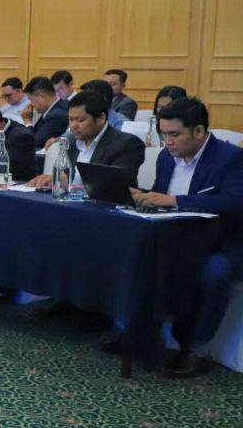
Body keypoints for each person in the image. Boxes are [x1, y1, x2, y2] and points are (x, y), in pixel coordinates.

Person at [131, 97, 243, 377]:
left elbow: (234, 202)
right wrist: (143, 197)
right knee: (133, 253)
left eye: (174, 135)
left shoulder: (231, 158)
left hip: (222, 242)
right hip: (175, 236)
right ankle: (140, 332)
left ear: (199, 131)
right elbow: (160, 196)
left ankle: (196, 347)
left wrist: (175, 201)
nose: (167, 142)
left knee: (213, 272)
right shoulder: (165, 158)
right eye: (163, 134)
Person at [27, 91, 145, 188]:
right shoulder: (71, 141)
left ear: (101, 118)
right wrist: (56, 179)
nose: (73, 126)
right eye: (71, 119)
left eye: (80, 120)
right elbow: (69, 176)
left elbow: (116, 186)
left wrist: (72, 186)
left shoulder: (127, 144)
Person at [26, 75, 69, 148]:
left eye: (31, 100)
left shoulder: (56, 115)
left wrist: (28, 122)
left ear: (41, 97)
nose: (30, 104)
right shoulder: (58, 106)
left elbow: (33, 143)